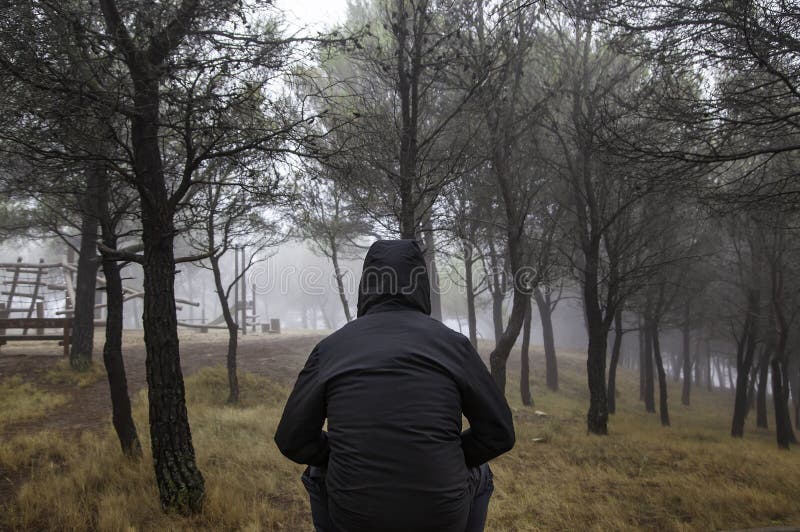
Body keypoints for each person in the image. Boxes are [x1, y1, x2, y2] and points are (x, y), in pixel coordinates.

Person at [275, 239, 515, 532]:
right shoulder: (454, 346)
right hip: (441, 517)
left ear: (366, 285)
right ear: (422, 284)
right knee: (480, 471)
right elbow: (499, 433)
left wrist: (337, 454)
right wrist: (448, 455)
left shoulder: (331, 348)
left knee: (317, 471)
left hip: (355, 518)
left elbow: (291, 438)